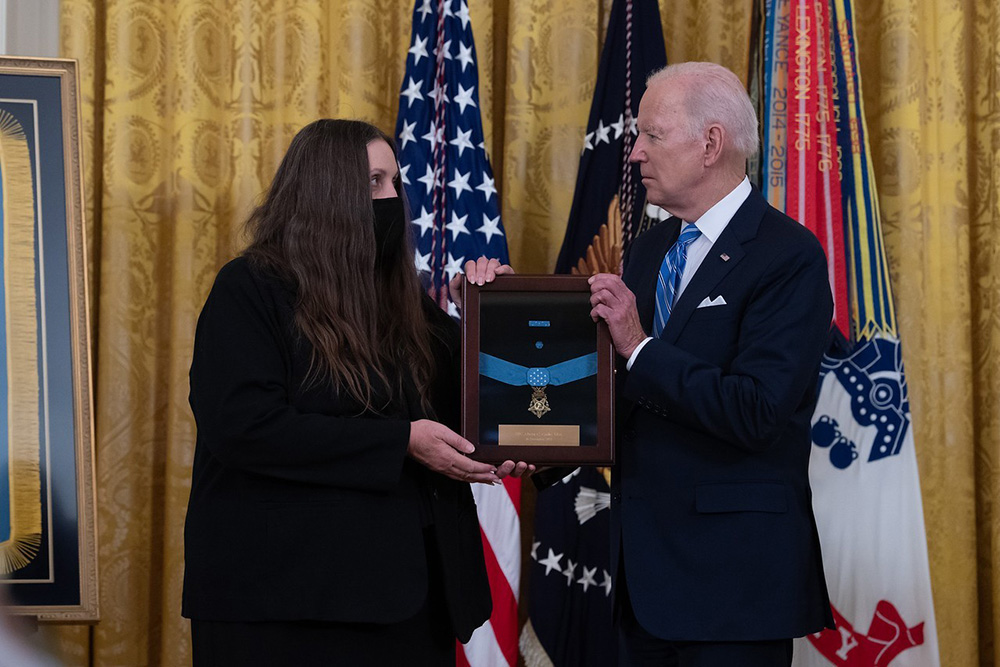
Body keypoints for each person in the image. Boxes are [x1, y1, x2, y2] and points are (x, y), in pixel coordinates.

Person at [182, 119, 530, 666]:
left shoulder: (403, 303)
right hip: (286, 609)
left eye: (394, 182)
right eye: (373, 183)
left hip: (408, 607)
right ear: (326, 193)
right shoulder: (250, 288)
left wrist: (489, 313)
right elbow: (243, 426)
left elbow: (477, 404)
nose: (392, 198)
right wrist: (400, 444)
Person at [588, 62, 835, 666]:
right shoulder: (648, 250)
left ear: (711, 143)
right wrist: (535, 442)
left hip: (734, 590)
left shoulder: (788, 256)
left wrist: (641, 346)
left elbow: (756, 410)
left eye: (651, 135)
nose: (635, 154)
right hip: (643, 585)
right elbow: (622, 393)